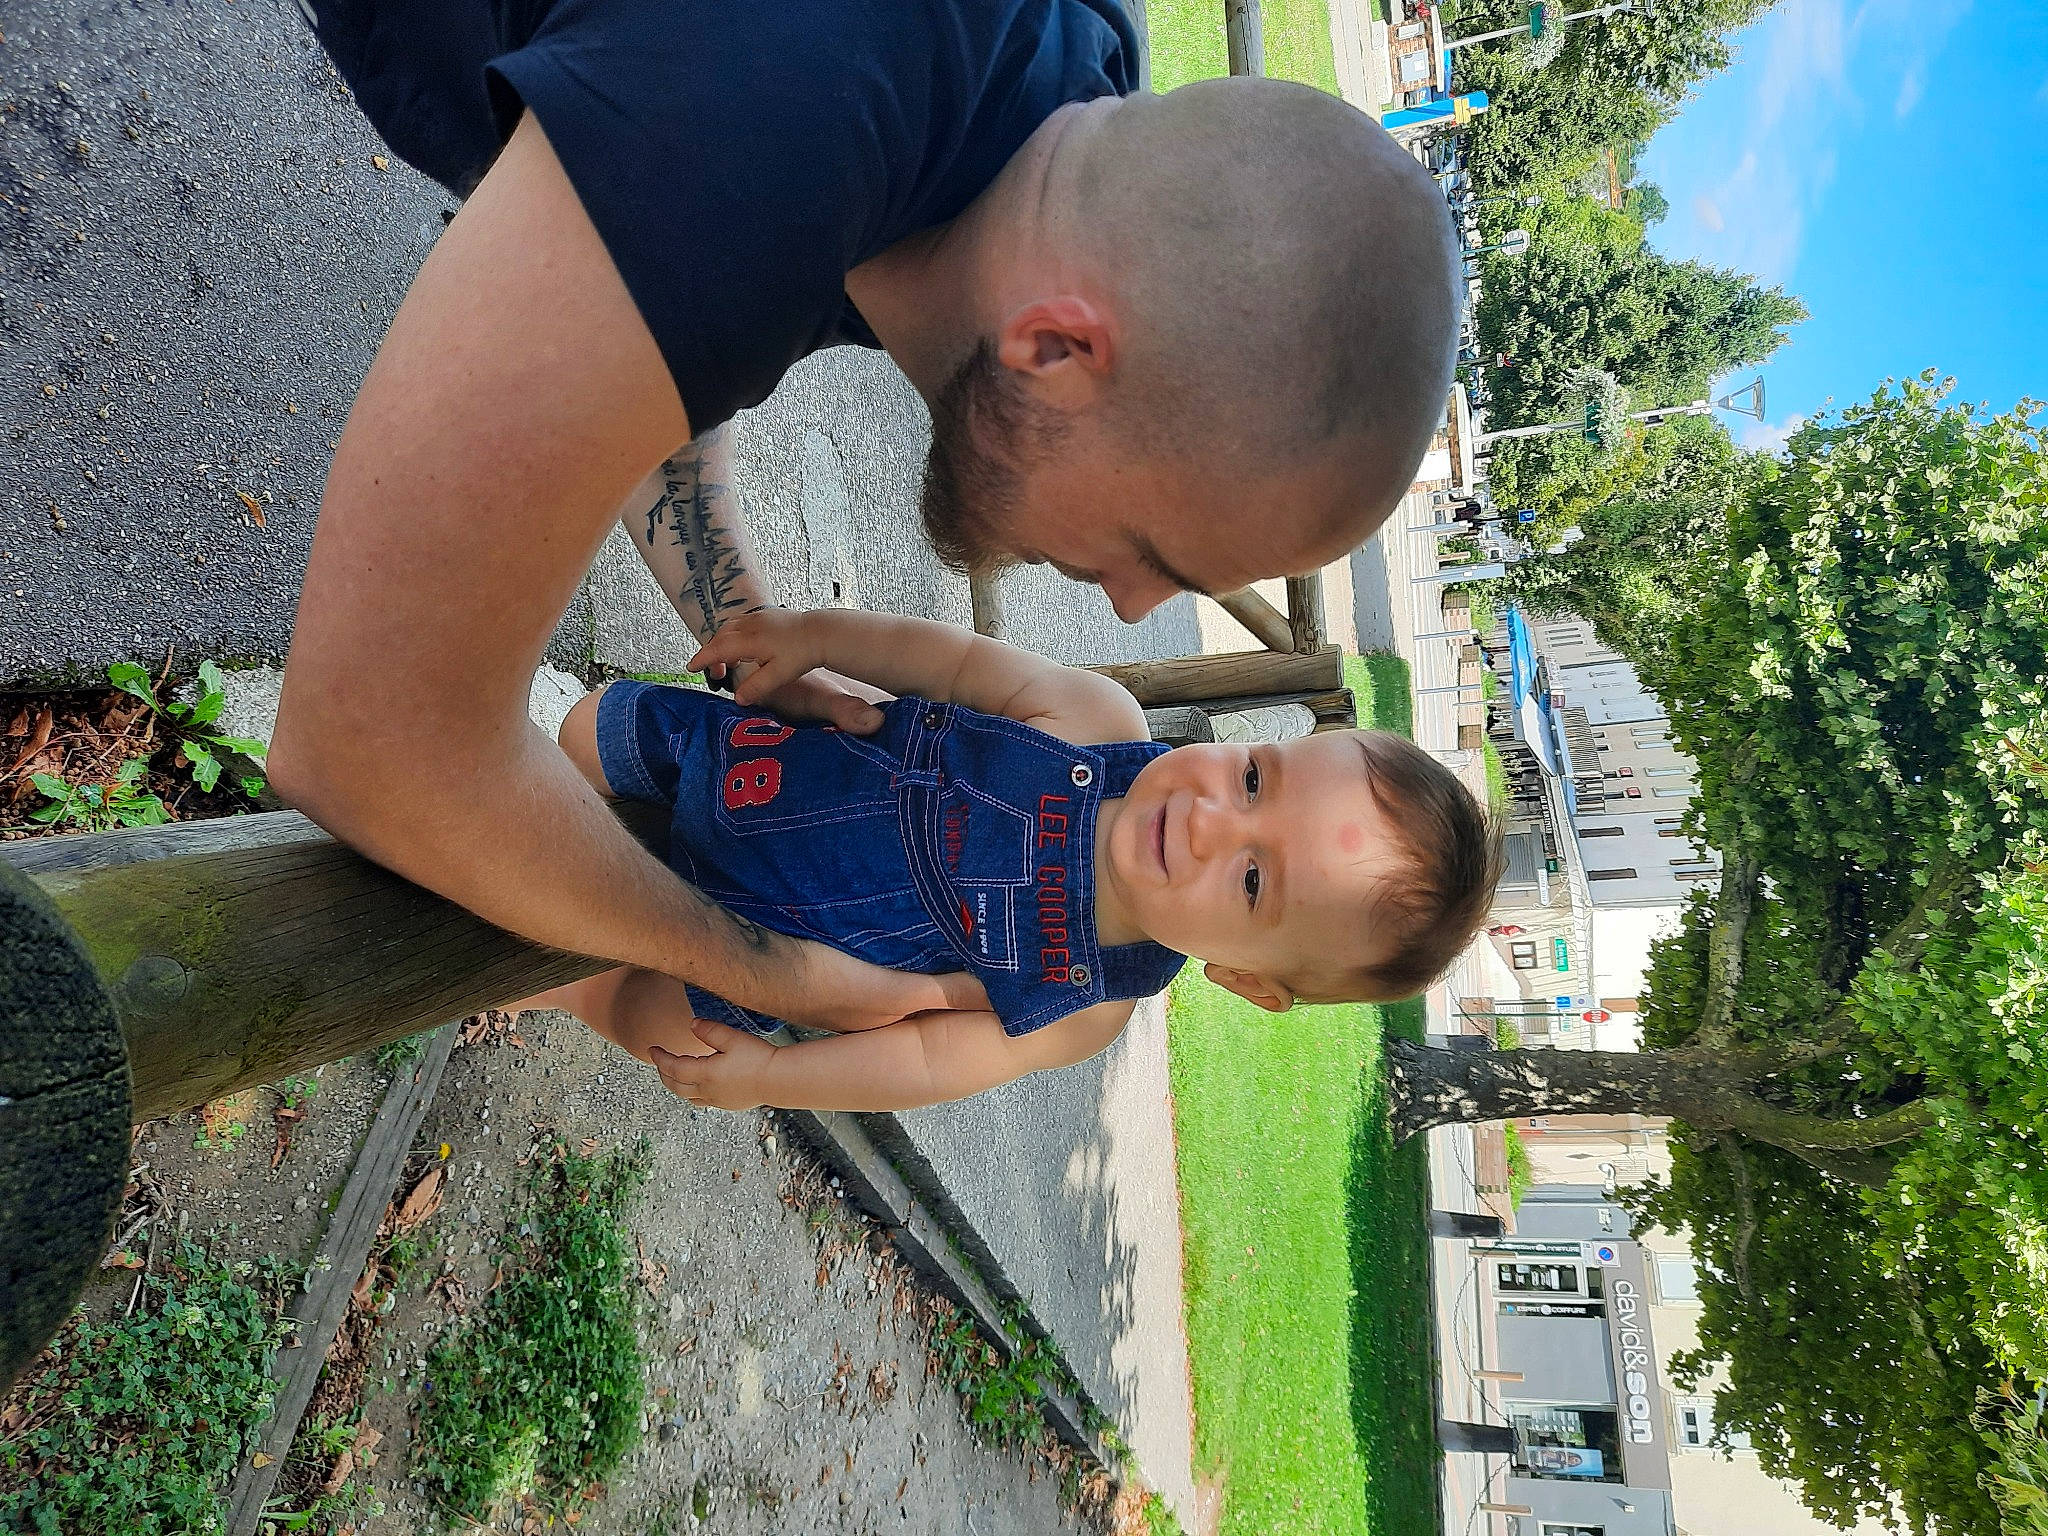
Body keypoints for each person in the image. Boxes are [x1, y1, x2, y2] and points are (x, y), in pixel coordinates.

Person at [269, 0, 1465, 1039]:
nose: (1129, 602)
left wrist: (746, 624)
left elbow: (666, 341)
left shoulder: (1045, 116)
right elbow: (379, 748)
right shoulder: (763, 130)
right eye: (1157, 554)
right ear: (1057, 348)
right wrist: (761, 967)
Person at [508, 608, 1504, 1111]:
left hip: (764, 947)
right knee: (595, 732)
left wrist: (773, 1075)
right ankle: (501, 821)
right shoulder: (1092, 723)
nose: (1206, 818)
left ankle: (548, 986)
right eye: (1252, 778)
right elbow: (944, 661)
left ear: (1244, 977)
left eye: (1252, 882)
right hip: (754, 771)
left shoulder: (1084, 1006)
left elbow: (927, 1060)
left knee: (643, 1016)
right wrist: (814, 636)